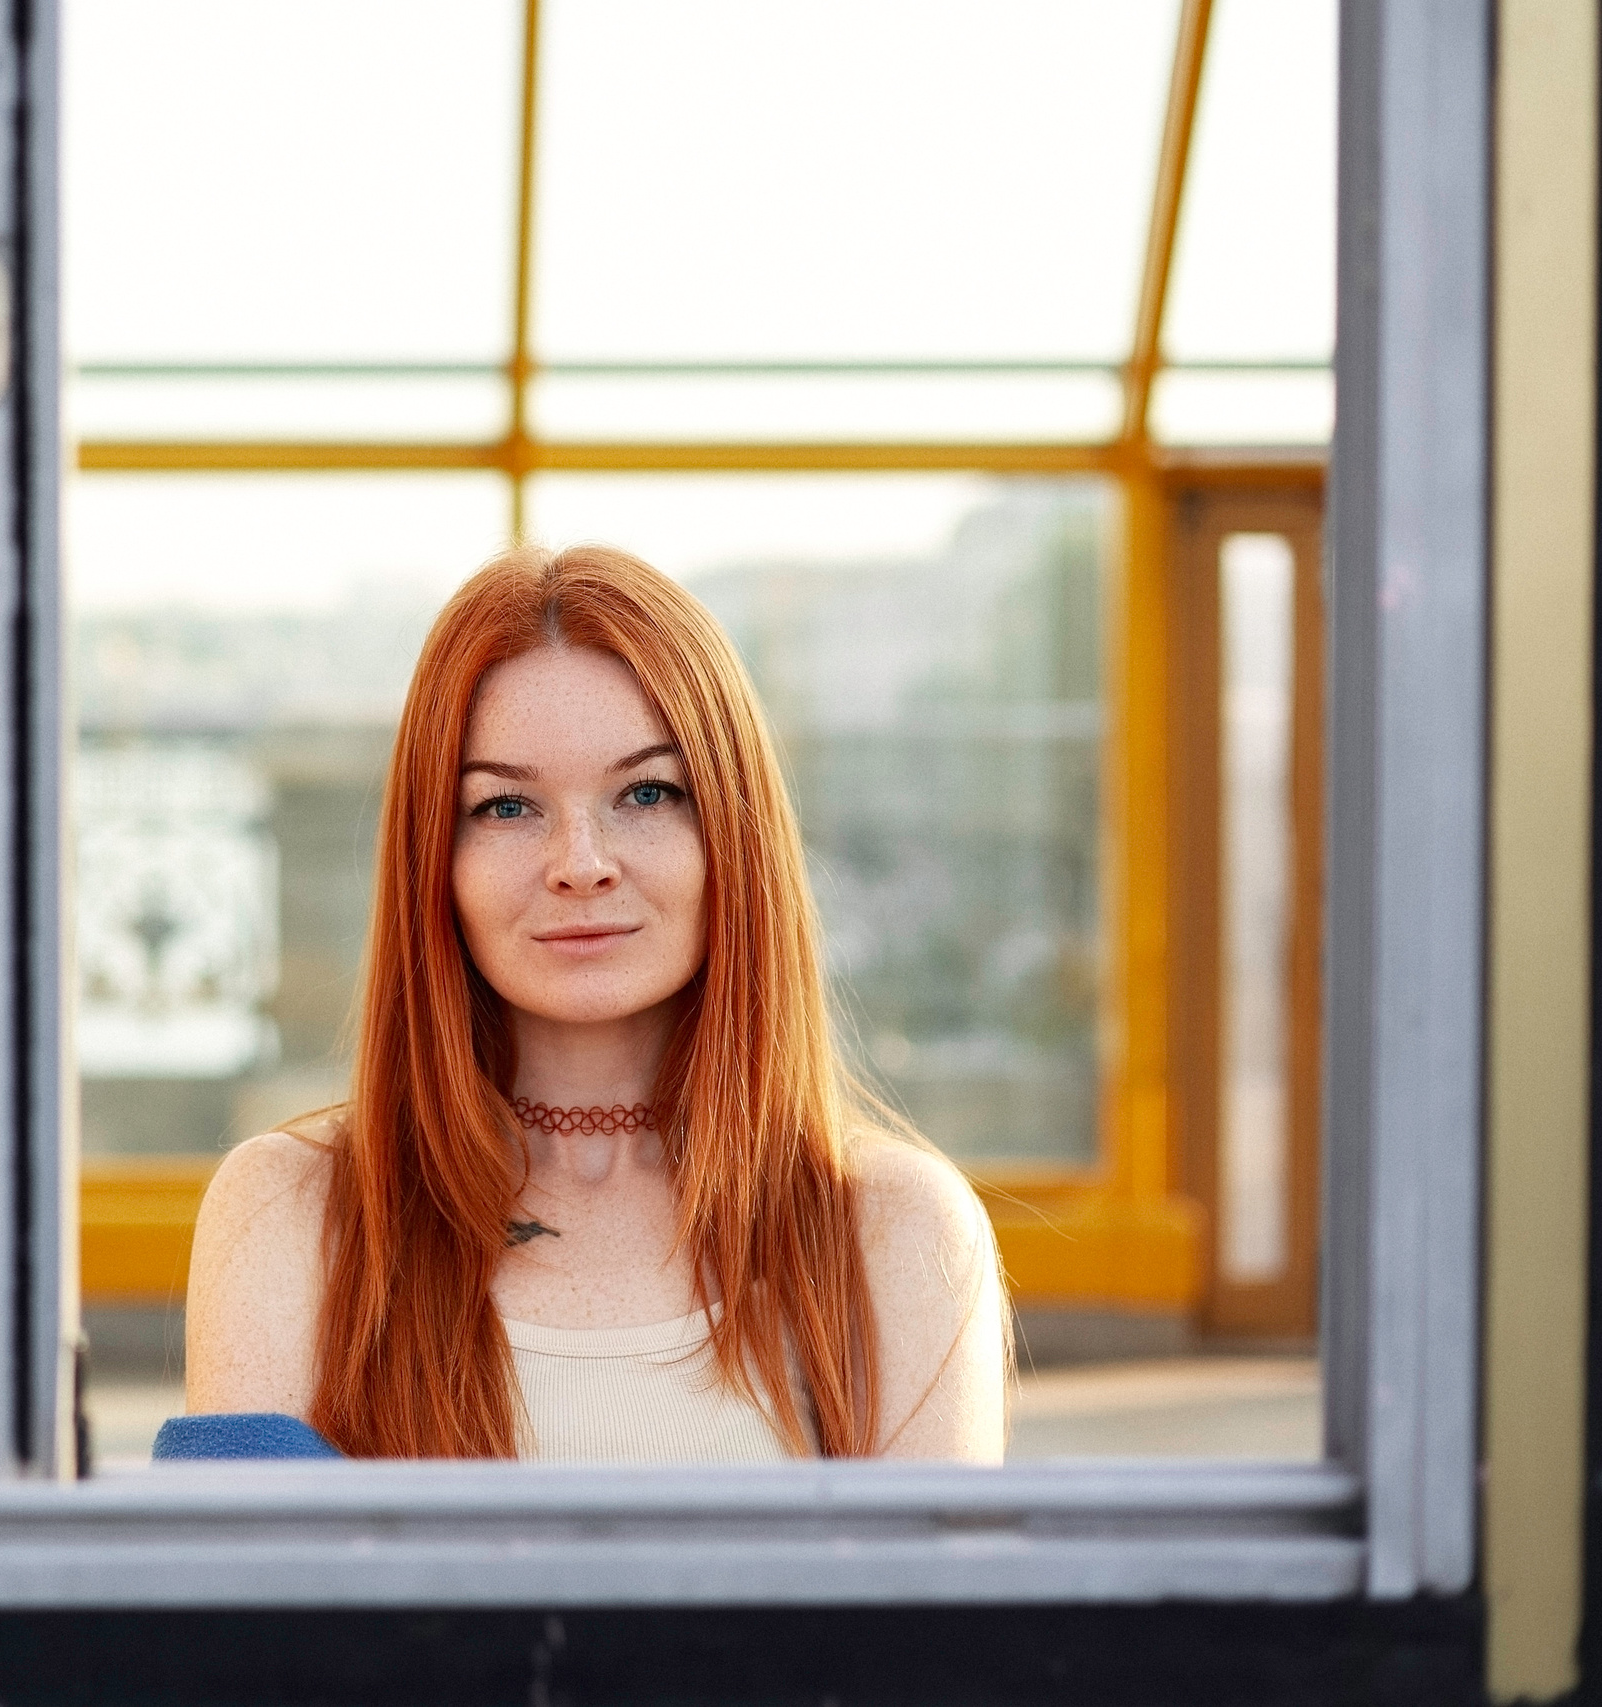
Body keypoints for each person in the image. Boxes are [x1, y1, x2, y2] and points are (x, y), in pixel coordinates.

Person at [182, 544, 1006, 1461]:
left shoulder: (897, 1230)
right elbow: (242, 1606)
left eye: (647, 792)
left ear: (733, 833)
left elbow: (935, 1611)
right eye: (505, 807)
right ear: (434, 858)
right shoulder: (289, 1211)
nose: (581, 862)